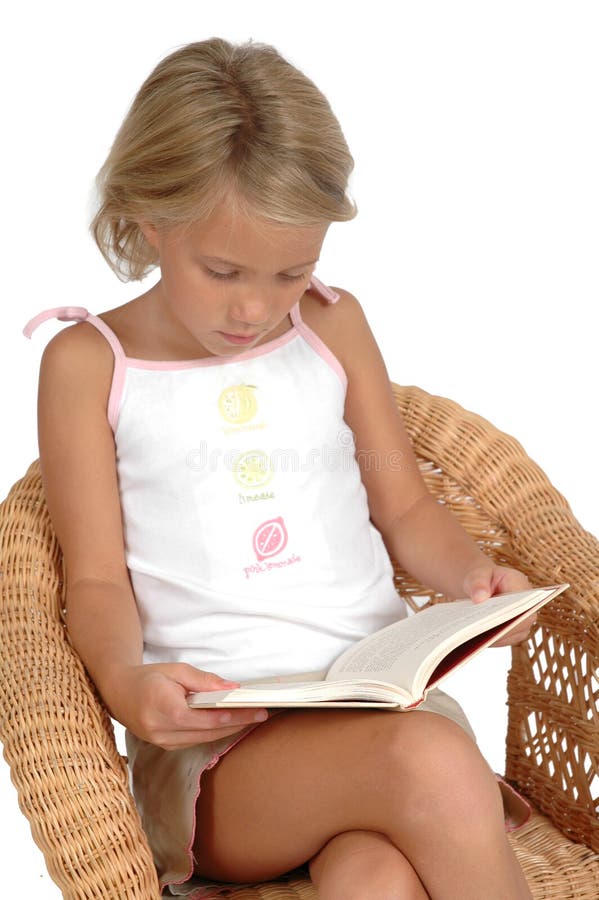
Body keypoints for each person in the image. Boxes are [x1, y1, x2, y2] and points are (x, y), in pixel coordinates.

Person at [24, 38, 535, 900]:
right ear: (150, 217)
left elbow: (405, 507)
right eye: (221, 271)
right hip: (226, 756)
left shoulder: (333, 328)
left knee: (372, 880)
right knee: (431, 767)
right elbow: (99, 581)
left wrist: (473, 578)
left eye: (293, 273)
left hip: (382, 709)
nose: (255, 309)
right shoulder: (90, 363)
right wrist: (126, 685)